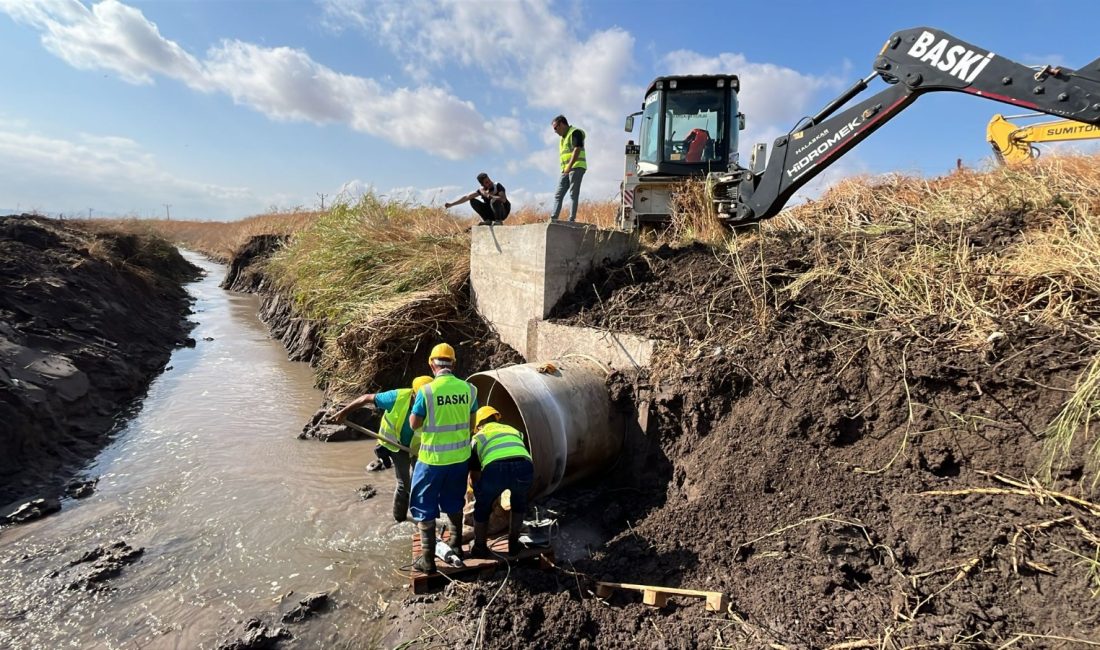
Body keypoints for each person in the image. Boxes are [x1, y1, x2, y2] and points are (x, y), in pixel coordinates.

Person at [407, 343, 478, 573]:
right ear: (453, 364)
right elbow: (472, 423)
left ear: (431, 364)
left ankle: (427, 559)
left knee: (423, 504)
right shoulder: (469, 389)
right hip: (459, 458)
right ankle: (456, 545)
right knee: (454, 501)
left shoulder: (427, 391)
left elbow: (414, 423)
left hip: (432, 460)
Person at [331, 375, 434, 522]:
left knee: (423, 478)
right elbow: (365, 398)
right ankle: (400, 518)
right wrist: (344, 413)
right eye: (421, 398)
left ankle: (424, 515)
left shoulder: (434, 403)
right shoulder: (396, 397)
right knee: (404, 483)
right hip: (396, 445)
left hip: (418, 447)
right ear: (413, 394)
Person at [468, 406, 534, 559]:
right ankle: (514, 544)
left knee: (482, 507)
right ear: (496, 418)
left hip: (494, 469)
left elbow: (474, 476)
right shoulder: (513, 430)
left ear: (478, 425)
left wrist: (479, 492)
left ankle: (479, 546)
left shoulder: (478, 437)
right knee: (518, 503)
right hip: (524, 466)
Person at [550, 114, 586, 222]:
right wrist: (565, 169)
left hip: (577, 167)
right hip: (566, 170)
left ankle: (571, 219)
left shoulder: (575, 133)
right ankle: (554, 217)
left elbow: (577, 149)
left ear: (562, 124)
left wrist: (569, 167)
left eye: (556, 128)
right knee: (558, 194)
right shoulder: (562, 139)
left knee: (573, 194)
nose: (555, 131)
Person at [444, 173, 511, 224]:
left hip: (503, 212)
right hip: (491, 213)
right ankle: (488, 220)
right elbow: (467, 197)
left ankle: (498, 221)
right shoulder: (482, 190)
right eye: (486, 182)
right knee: (472, 201)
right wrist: (451, 204)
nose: (489, 183)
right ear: (482, 185)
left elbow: (503, 199)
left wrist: (489, 196)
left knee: (494, 200)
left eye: (489, 180)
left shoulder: (497, 186)